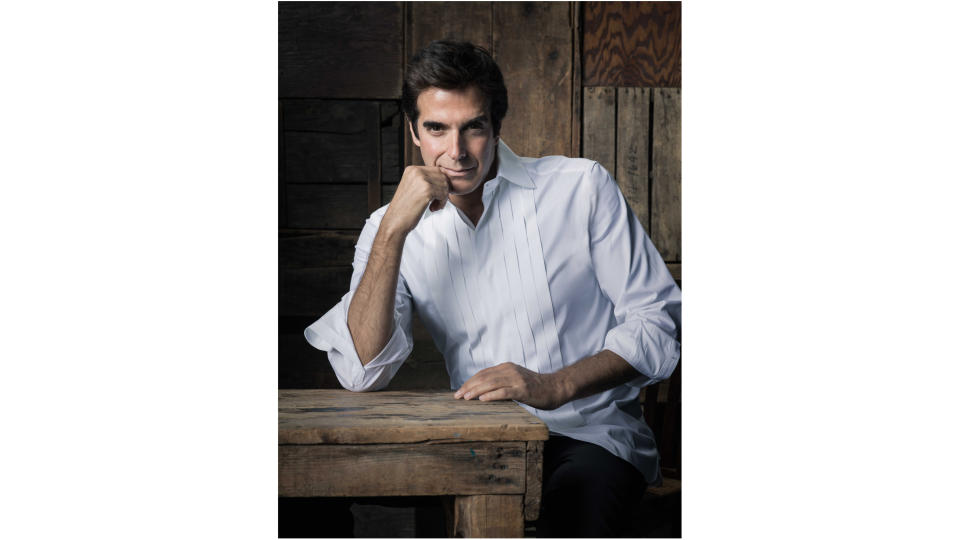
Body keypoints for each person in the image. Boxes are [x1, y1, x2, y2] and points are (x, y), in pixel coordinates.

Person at [304, 40, 681, 537]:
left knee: (565, 517)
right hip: (471, 440)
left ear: (496, 126)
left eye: (473, 127)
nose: (455, 152)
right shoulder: (388, 227)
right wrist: (393, 229)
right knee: (299, 495)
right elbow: (359, 371)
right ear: (415, 133)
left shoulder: (581, 187)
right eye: (437, 128)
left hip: (587, 437)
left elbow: (660, 322)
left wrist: (555, 384)